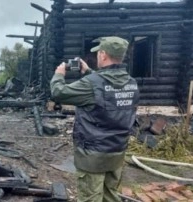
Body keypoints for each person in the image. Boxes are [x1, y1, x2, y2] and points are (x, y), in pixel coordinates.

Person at [50, 36, 139, 202]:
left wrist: (58, 74)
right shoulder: (131, 83)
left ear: (103, 55)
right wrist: (89, 71)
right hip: (117, 152)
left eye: (98, 53)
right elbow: (107, 87)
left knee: (90, 198)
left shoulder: (91, 84)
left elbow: (58, 92)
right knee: (111, 196)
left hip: (93, 156)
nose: (97, 55)